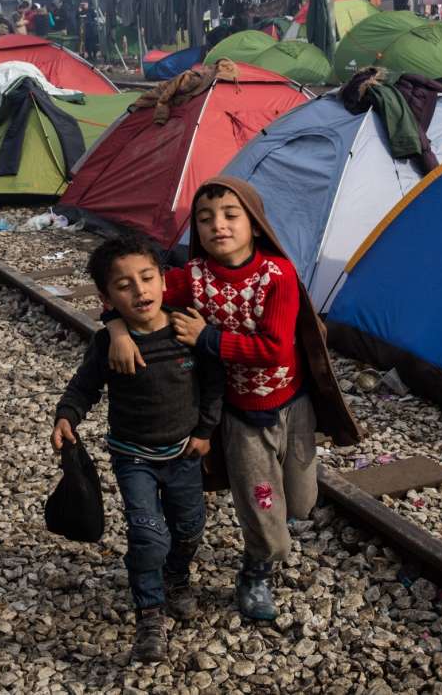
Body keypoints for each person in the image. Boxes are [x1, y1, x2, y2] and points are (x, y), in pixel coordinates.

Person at [105, 177, 360, 622]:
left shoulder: (277, 276)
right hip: (241, 419)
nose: (217, 225)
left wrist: (207, 338)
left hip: (293, 407)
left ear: (255, 224)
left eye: (229, 215)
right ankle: (256, 570)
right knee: (267, 517)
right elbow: (130, 294)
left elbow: (276, 351)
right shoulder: (192, 278)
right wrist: (117, 330)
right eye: (205, 219)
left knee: (300, 504)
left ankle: (268, 540)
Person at [52, 233, 223, 662]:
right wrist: (66, 416)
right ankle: (149, 614)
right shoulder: (109, 342)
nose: (139, 290)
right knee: (148, 536)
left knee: (188, 529)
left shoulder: (188, 328)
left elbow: (213, 384)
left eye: (147, 277)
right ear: (107, 296)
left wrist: (205, 431)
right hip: (133, 457)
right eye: (124, 284)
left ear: (164, 281)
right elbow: (84, 386)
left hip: (184, 454)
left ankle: (177, 579)